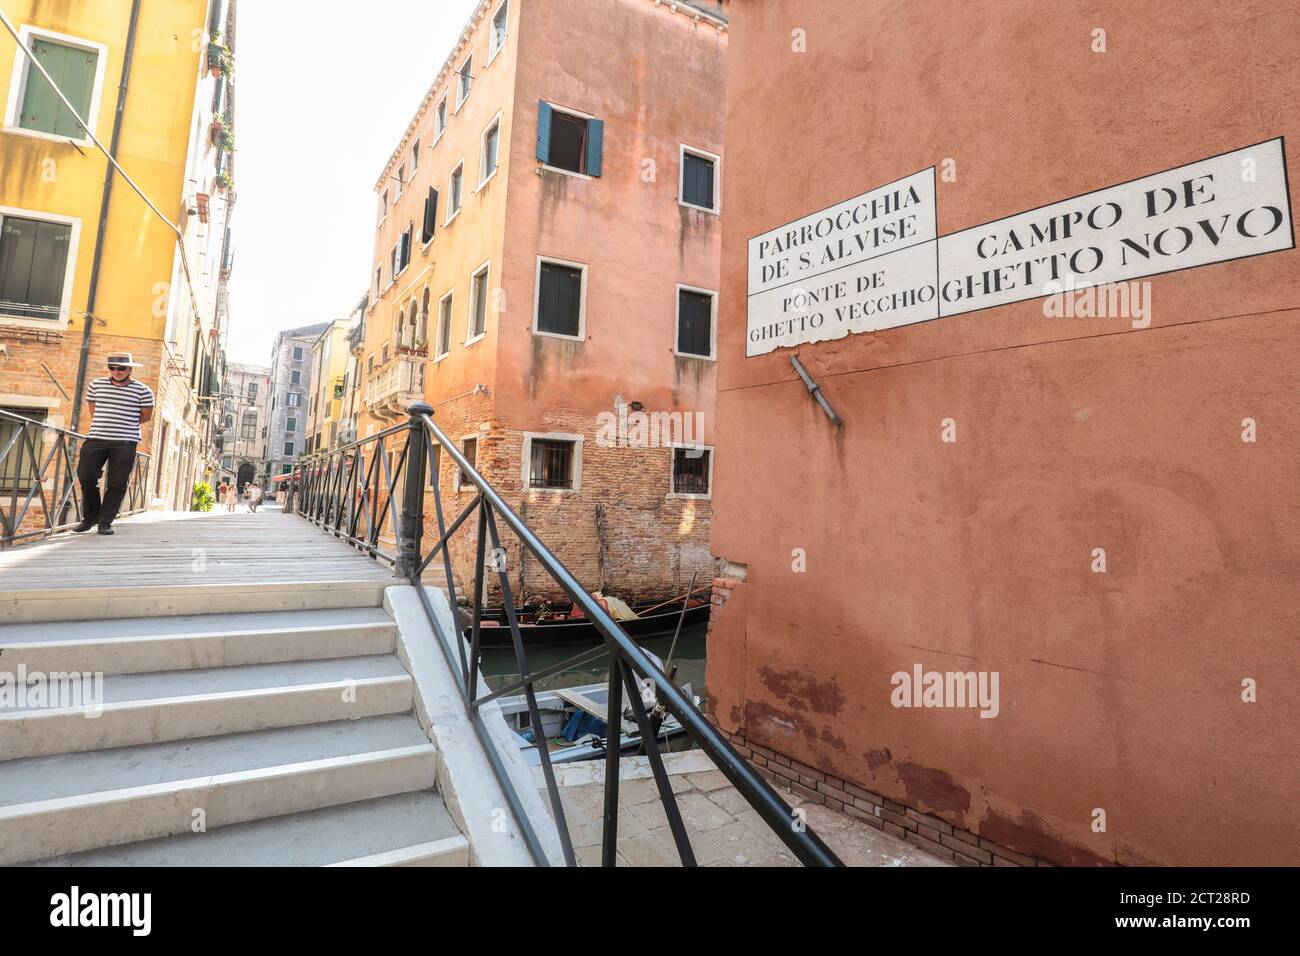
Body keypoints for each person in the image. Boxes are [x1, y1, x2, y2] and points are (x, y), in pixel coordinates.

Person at [73, 353, 154, 536]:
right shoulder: (96, 385)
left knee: (117, 483)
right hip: (95, 438)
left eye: (121, 368)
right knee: (86, 477)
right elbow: (94, 410)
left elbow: (146, 416)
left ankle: (105, 521)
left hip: (125, 441)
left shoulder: (144, 391)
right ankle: (90, 518)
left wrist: (123, 425)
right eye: (112, 368)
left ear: (130, 369)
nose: (116, 372)